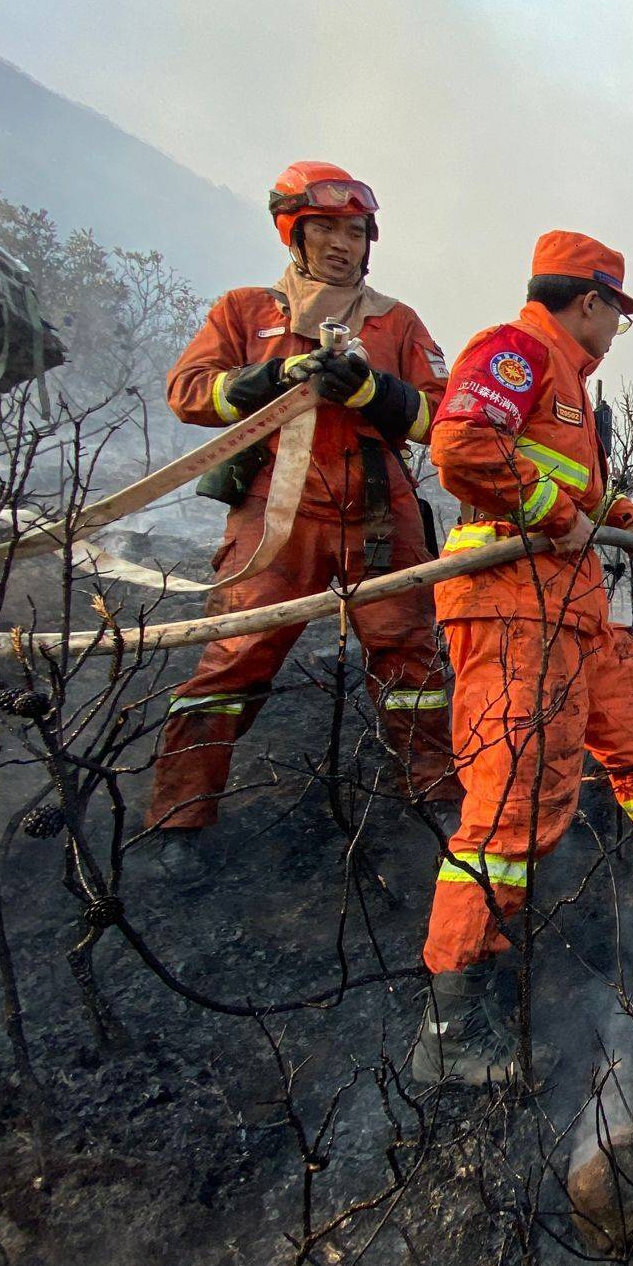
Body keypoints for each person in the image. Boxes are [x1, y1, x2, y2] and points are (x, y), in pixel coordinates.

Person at [412, 230, 633, 1086]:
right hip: (512, 605)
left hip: (572, 607)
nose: (620, 330)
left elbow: (585, 492)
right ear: (591, 301)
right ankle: (452, 1024)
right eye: (618, 313)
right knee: (514, 803)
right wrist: (551, 511)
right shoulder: (514, 352)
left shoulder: (572, 393)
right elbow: (463, 446)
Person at [145, 161, 457, 841]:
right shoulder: (245, 312)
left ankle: (435, 806)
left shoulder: (397, 324)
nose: (343, 245)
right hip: (274, 517)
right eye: (326, 230)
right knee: (232, 660)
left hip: (379, 516)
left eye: (354, 231)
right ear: (295, 234)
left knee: (413, 663)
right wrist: (271, 378)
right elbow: (190, 392)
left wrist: (373, 390)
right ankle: (177, 820)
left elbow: (444, 422)